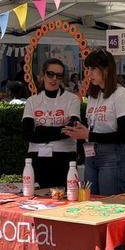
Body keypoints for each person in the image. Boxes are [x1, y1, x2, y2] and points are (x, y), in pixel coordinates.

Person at [67, 48, 125, 196]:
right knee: (91, 201)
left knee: (108, 203)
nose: (89, 73)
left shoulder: (121, 94)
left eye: (93, 69)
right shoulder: (93, 95)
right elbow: (93, 127)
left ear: (106, 69)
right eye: (87, 69)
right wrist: (80, 130)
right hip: (91, 156)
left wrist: (90, 135)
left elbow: (124, 134)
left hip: (113, 156)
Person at [22, 58, 81, 188]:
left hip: (65, 158)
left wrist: (41, 130)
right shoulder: (32, 101)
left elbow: (72, 129)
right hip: (37, 158)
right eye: (50, 74)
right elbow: (28, 134)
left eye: (59, 76)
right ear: (43, 75)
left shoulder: (72, 99)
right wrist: (60, 129)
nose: (54, 79)